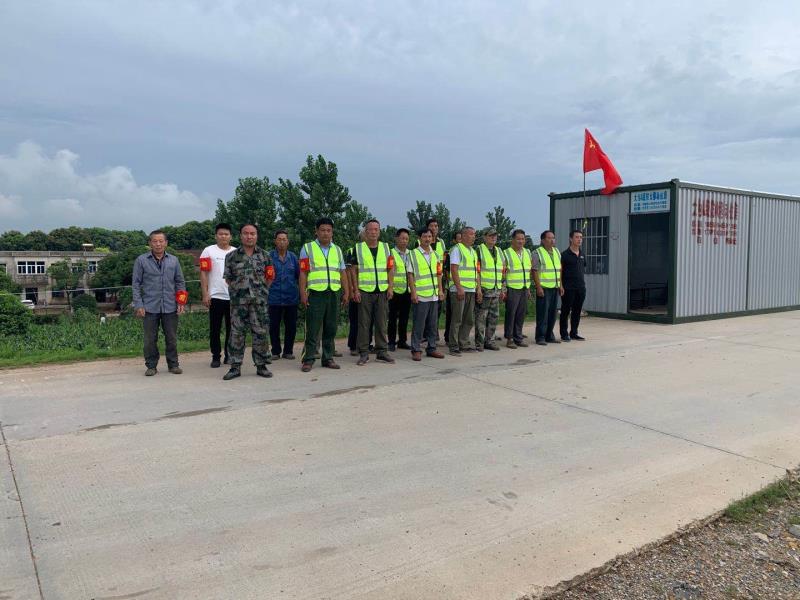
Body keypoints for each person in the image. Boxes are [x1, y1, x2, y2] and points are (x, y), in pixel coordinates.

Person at [222, 224, 273, 380]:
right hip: (238, 303)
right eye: (246, 233)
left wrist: (261, 291)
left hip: (259, 303)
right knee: (236, 334)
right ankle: (235, 367)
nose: (249, 236)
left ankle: (261, 365)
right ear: (240, 236)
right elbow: (228, 279)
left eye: (252, 233)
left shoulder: (265, 256)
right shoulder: (231, 256)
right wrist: (239, 290)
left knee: (261, 333)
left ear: (257, 236)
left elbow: (270, 277)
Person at [132, 230, 187, 376]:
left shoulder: (174, 260)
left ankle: (173, 365)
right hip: (149, 307)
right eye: (155, 241)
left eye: (161, 241)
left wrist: (181, 302)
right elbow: (136, 284)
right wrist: (139, 304)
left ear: (166, 243)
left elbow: (180, 282)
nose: (158, 244)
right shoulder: (141, 260)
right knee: (150, 340)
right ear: (150, 243)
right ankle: (151, 366)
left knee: (171, 338)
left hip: (170, 306)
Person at [299, 218, 349, 372]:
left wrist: (346, 291)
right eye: (322, 230)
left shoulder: (337, 250)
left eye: (329, 230)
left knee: (331, 327)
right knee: (313, 328)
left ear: (332, 232)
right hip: (315, 293)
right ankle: (308, 359)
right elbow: (303, 272)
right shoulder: (308, 248)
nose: (326, 233)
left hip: (334, 293)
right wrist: (302, 293)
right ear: (316, 231)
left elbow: (342, 272)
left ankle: (328, 358)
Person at [350, 218, 395, 366]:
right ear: (365, 231)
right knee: (364, 323)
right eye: (370, 229)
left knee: (381, 323)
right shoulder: (358, 248)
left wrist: (390, 287)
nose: (373, 232)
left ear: (379, 232)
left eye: (376, 229)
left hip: (382, 291)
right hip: (364, 291)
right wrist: (355, 290)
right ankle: (364, 352)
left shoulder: (386, 248)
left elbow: (390, 268)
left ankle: (382, 351)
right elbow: (353, 271)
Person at [199, 223, 236, 368]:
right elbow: (203, 273)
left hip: (232, 297)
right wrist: (205, 293)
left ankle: (229, 355)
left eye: (226, 234)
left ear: (231, 236)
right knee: (215, 329)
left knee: (232, 329)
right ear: (216, 236)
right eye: (221, 234)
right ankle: (215, 356)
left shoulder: (236, 252)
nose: (223, 236)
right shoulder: (208, 251)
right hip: (215, 296)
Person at [408, 227, 445, 361]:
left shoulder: (435, 255)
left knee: (432, 324)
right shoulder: (413, 254)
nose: (427, 239)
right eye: (424, 236)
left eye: (429, 237)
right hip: (421, 295)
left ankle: (431, 348)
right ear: (419, 238)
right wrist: (413, 292)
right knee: (419, 324)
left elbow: (439, 274)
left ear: (432, 239)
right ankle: (416, 349)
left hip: (434, 294)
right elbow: (410, 275)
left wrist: (440, 290)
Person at [448, 227, 481, 355]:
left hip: (471, 289)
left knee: (468, 319)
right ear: (464, 236)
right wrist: (459, 288)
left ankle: (464, 343)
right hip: (459, 290)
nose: (474, 237)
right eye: (471, 234)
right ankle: (453, 346)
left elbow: (476, 272)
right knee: (457, 319)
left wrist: (478, 288)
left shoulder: (473, 251)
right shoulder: (457, 249)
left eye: (474, 234)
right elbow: (454, 269)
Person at [268, 229, 300, 359]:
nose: (282, 242)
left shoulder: (293, 258)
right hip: (274, 297)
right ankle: (275, 351)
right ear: (275, 241)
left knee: (291, 326)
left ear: (288, 242)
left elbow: (299, 276)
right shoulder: (269, 257)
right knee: (273, 326)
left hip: (291, 298)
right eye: (279, 239)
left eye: (284, 239)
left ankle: (288, 351)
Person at [474, 228, 505, 351]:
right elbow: (477, 271)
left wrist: (503, 289)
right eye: (491, 235)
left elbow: (503, 271)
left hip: (496, 289)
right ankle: (479, 343)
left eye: (495, 236)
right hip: (484, 289)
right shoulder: (479, 250)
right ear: (484, 237)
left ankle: (490, 341)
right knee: (481, 317)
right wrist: (478, 289)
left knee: (494, 317)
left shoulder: (499, 251)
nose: (493, 238)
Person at [533, 230, 564, 346]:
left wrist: (560, 285)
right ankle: (540, 337)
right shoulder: (537, 252)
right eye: (549, 238)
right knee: (543, 314)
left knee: (552, 314)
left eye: (553, 238)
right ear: (543, 240)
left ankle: (549, 336)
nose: (552, 240)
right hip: (544, 288)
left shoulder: (556, 251)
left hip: (554, 287)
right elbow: (534, 271)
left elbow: (559, 269)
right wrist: (538, 287)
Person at [503, 229, 533, 348]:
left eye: (522, 239)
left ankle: (518, 337)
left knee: (521, 314)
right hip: (512, 288)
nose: (521, 241)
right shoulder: (506, 253)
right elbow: (503, 273)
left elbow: (528, 271)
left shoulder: (527, 252)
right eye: (518, 239)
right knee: (511, 313)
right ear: (513, 240)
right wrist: (504, 290)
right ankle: (509, 338)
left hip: (524, 288)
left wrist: (528, 289)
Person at [560, 229, 587, 341]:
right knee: (565, 311)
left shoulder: (582, 254)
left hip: (580, 288)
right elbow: (560, 272)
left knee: (577, 311)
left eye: (581, 237)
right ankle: (564, 334)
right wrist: (561, 286)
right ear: (571, 239)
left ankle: (574, 333)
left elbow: (582, 269)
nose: (579, 239)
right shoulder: (564, 255)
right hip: (568, 288)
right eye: (577, 237)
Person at [388, 228, 412, 351]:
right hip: (395, 290)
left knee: (404, 317)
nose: (404, 241)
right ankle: (391, 342)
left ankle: (402, 341)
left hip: (407, 290)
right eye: (402, 238)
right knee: (392, 318)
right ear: (396, 238)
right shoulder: (391, 253)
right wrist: (390, 288)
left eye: (406, 239)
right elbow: (389, 271)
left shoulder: (410, 254)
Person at [443, 230, 462, 346]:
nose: (461, 241)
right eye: (459, 239)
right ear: (454, 241)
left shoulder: (467, 251)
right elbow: (447, 270)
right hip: (452, 287)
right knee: (451, 314)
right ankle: (448, 337)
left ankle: (458, 338)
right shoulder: (452, 252)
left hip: (464, 287)